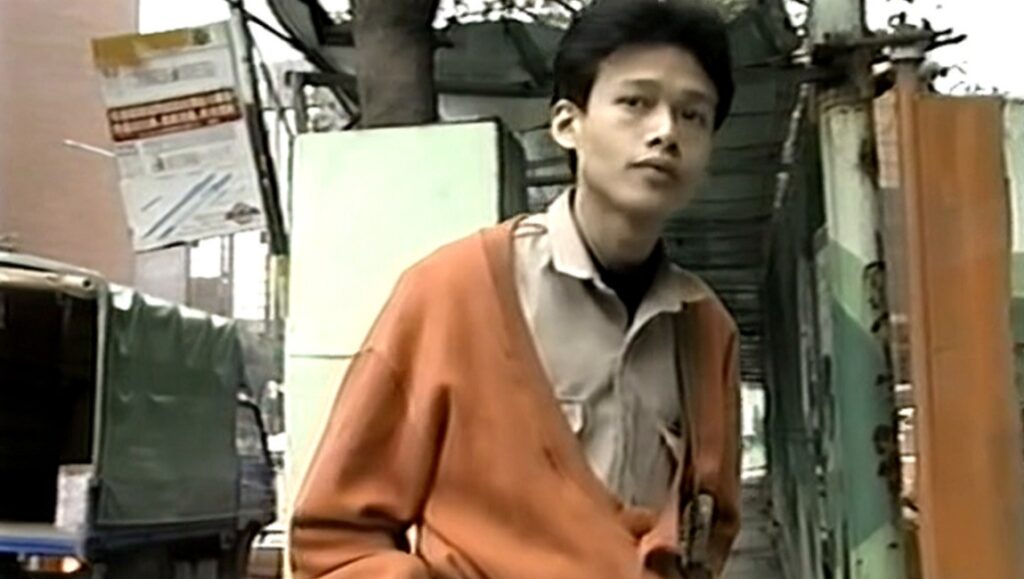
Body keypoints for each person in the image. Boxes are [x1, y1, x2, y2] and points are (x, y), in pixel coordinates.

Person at [290, 0, 741, 577]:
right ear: (566, 124)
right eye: (635, 103)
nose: (664, 132)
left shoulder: (706, 330)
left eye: (693, 114)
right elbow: (333, 540)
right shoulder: (453, 293)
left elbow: (709, 527)